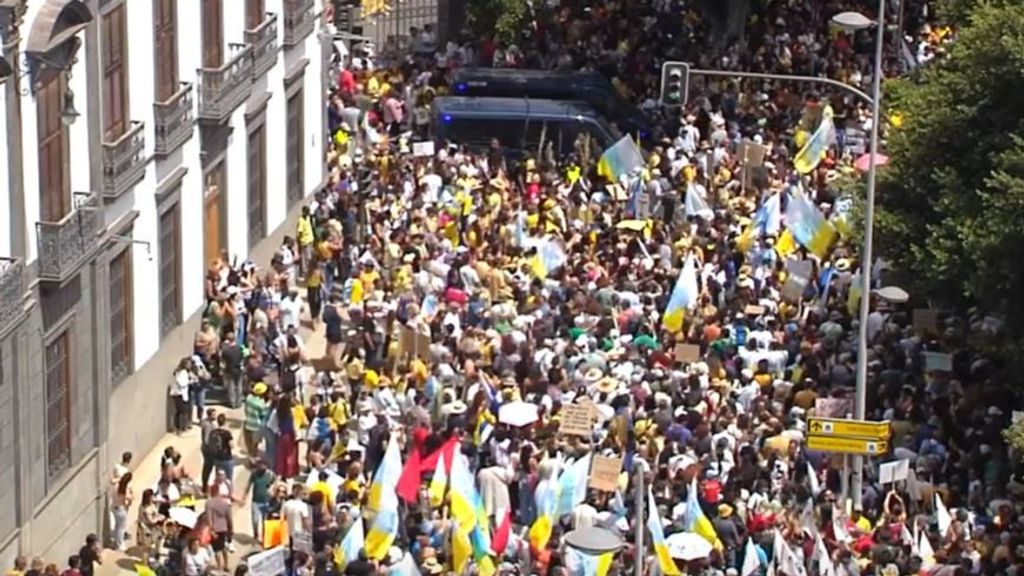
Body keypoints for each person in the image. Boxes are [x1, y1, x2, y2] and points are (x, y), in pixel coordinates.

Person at [205, 491, 233, 571]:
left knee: (216, 549)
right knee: (223, 546)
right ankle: (226, 565)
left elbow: (209, 518)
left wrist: (211, 530)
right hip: (224, 528)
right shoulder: (225, 503)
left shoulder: (209, 503)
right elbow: (229, 518)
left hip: (215, 529)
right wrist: (231, 529)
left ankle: (219, 567)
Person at [111, 472, 133, 551]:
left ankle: (116, 542)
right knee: (121, 528)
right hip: (120, 509)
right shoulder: (124, 489)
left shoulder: (116, 485)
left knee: (117, 526)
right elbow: (127, 498)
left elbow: (112, 480)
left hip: (114, 507)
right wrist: (131, 496)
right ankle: (119, 544)